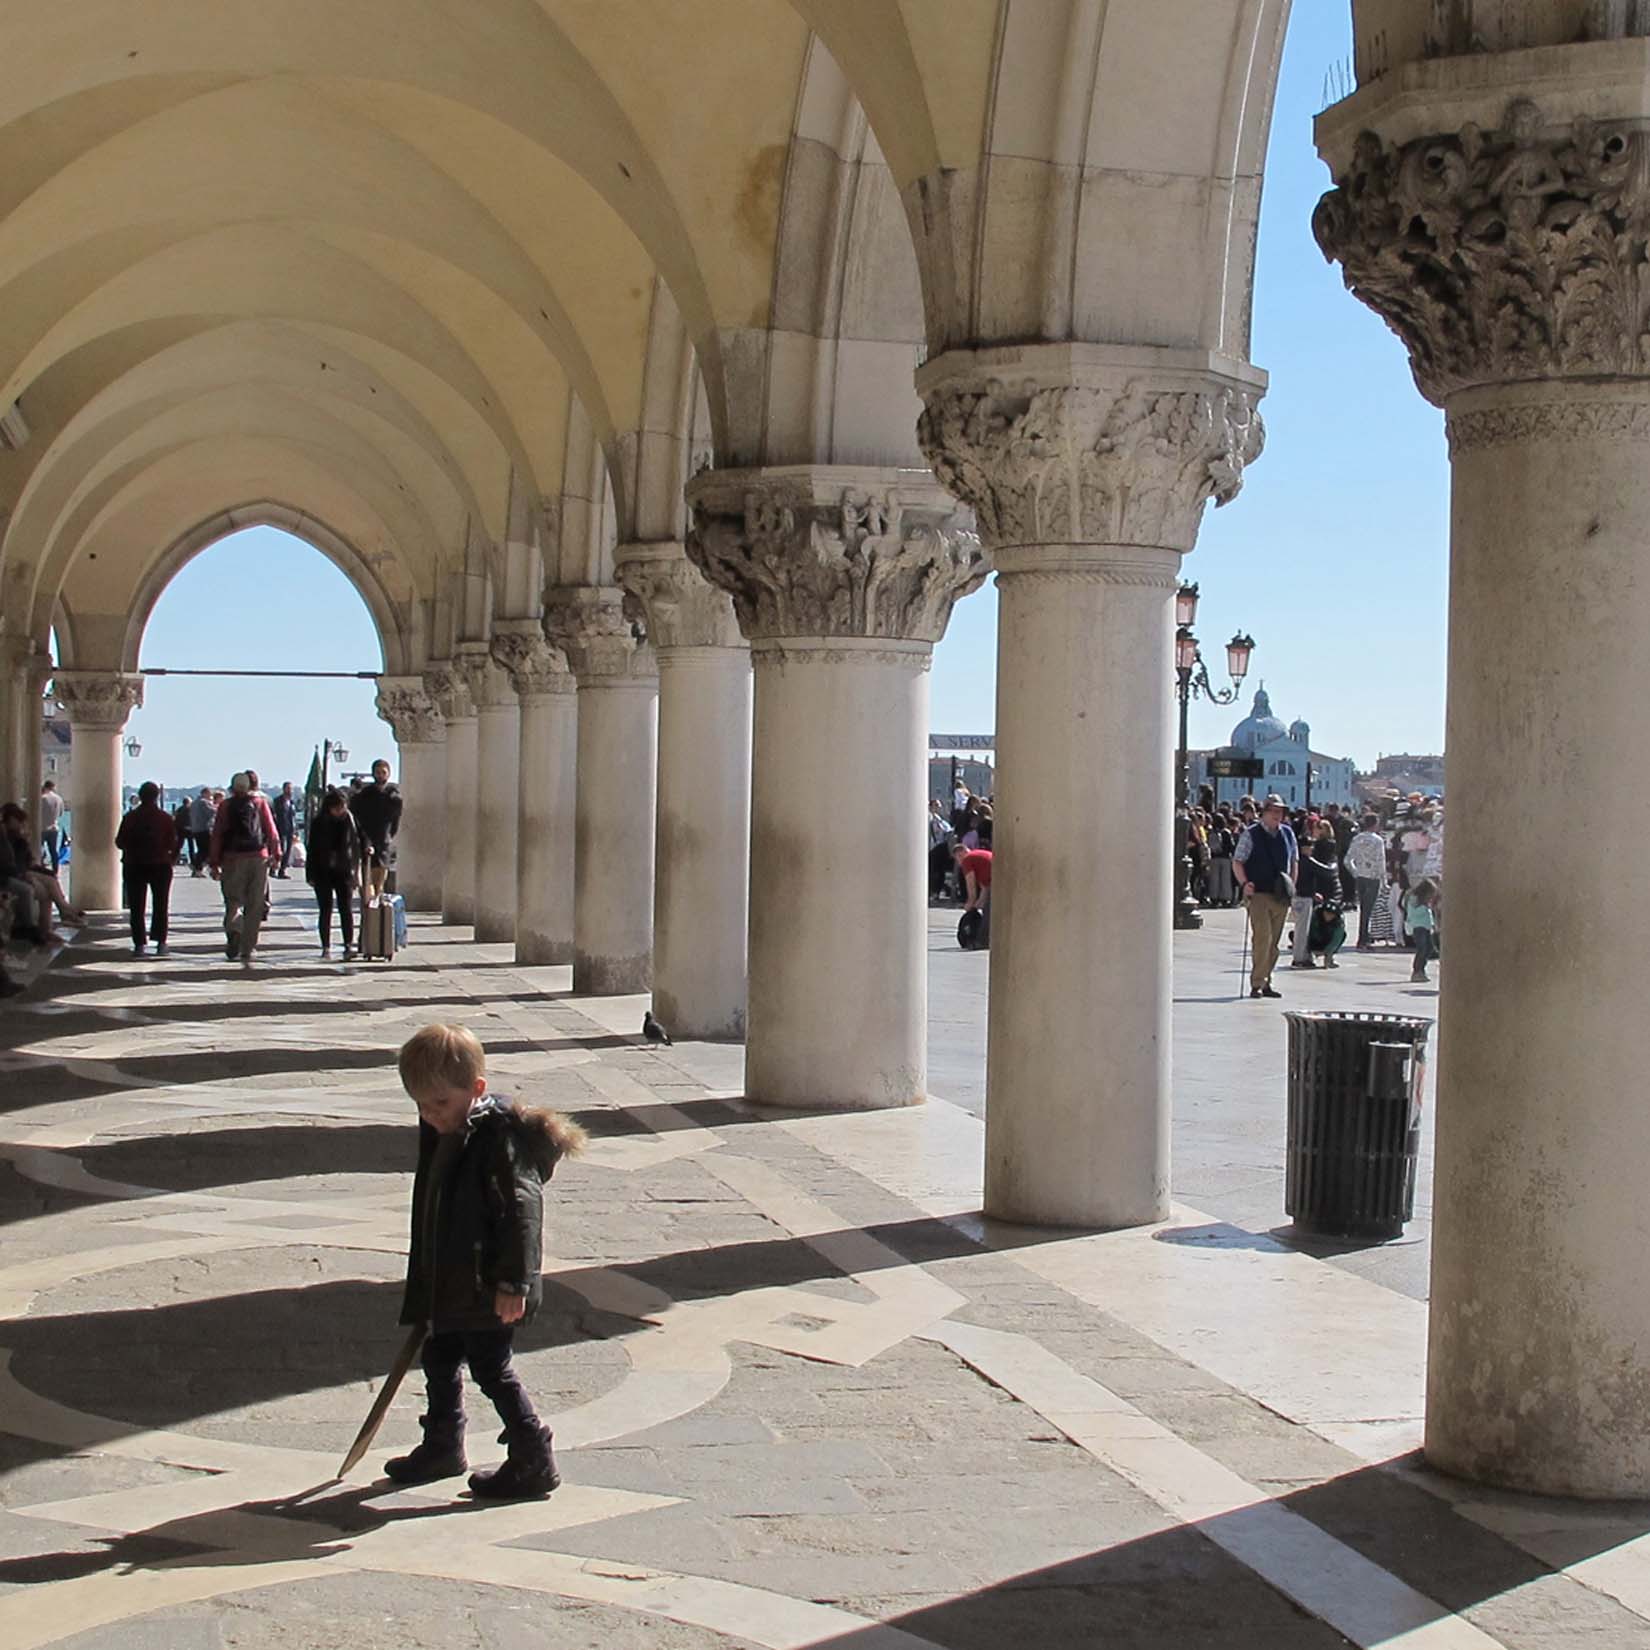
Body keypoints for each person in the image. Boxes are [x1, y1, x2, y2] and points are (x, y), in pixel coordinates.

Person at [386, 1023, 586, 1498]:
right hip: (453, 1279)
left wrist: (514, 1283)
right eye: (421, 1105)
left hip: (486, 1282)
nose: (431, 1115)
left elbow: (522, 1214)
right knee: (439, 1356)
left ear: (475, 1090)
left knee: (491, 1368)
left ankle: (532, 1452)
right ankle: (442, 1443)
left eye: (440, 1104)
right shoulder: (449, 1130)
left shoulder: (499, 1140)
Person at [209, 771, 281, 964]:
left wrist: (214, 862)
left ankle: (234, 930)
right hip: (258, 858)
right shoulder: (259, 804)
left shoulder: (225, 806)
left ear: (232, 788)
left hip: (232, 859)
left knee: (232, 901)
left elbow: (217, 835)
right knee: (255, 905)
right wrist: (276, 854)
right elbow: (271, 831)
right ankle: (248, 948)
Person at [1234, 793, 1297, 999]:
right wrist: (1245, 883)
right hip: (1259, 893)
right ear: (1264, 812)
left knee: (1274, 943)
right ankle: (1257, 983)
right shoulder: (1251, 834)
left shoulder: (1288, 834)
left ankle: (1267, 980)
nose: (1278, 815)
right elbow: (1238, 861)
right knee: (1262, 938)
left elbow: (1294, 862)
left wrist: (1292, 886)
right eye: (1274, 811)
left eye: (1280, 812)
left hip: (1280, 895)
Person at [115, 781, 179, 957]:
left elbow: (119, 842)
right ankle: (161, 942)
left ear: (140, 796)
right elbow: (173, 842)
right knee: (161, 904)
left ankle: (139, 944)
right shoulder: (165, 818)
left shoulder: (130, 817)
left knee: (136, 906)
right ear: (157, 796)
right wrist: (170, 858)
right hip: (160, 865)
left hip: (134, 864)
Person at [306, 787, 361, 959]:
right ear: (329, 807)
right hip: (322, 870)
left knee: (346, 908)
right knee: (325, 908)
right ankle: (326, 946)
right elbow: (312, 849)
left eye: (343, 807)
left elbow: (361, 838)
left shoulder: (350, 820)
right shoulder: (319, 822)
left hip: (344, 870)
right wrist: (310, 874)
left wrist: (368, 848)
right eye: (337, 807)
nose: (340, 811)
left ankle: (348, 944)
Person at [350, 759, 403, 899]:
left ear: (388, 774)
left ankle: (377, 910)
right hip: (367, 839)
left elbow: (396, 819)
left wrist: (390, 836)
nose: (380, 776)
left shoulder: (393, 796)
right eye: (378, 772)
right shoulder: (365, 795)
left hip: (384, 841)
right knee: (368, 882)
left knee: (380, 882)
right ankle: (368, 911)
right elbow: (356, 815)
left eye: (383, 772)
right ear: (373, 774)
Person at [1301, 821, 1346, 968]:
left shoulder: (1322, 846)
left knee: (1323, 920)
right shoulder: (1328, 845)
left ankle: (1323, 952)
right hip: (1328, 885)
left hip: (1325, 886)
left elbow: (1324, 869)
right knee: (1326, 921)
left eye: (1317, 828)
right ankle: (1327, 954)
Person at [1345, 813, 1388, 949]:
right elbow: (1381, 861)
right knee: (1368, 909)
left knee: (1363, 908)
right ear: (1375, 824)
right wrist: (1384, 880)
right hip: (1373, 877)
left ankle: (1363, 936)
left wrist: (1355, 872)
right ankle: (1363, 938)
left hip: (1361, 877)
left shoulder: (1357, 838)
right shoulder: (1378, 840)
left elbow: (1347, 859)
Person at [1407, 877, 1440, 983]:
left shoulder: (1425, 904)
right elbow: (1413, 913)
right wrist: (1425, 907)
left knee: (1429, 948)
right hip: (1418, 927)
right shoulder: (1414, 899)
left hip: (1426, 927)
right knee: (1422, 948)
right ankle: (1417, 970)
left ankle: (1422, 968)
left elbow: (1429, 916)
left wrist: (1433, 925)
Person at [926, 799, 953, 901]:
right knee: (932, 870)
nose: (939, 807)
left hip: (938, 847)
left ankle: (935, 892)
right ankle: (932, 891)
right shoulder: (928, 817)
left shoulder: (938, 819)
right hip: (931, 846)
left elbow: (947, 830)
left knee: (937, 870)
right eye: (936, 805)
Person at [272, 780, 299, 878]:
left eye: (291, 789)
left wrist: (295, 831)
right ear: (284, 789)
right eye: (288, 789)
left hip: (290, 830)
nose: (290, 791)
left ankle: (282, 871)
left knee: (288, 851)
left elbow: (293, 817)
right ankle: (273, 868)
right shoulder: (277, 801)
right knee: (280, 850)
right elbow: (274, 815)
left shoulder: (292, 802)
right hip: (280, 828)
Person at [186, 787, 215, 876]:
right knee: (205, 850)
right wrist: (214, 805)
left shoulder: (194, 803)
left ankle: (196, 866)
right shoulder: (204, 802)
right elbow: (212, 812)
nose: (211, 796)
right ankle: (197, 867)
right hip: (204, 828)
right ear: (205, 793)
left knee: (201, 849)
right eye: (210, 794)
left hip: (195, 829)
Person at [39, 781, 64, 873]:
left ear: (45, 787)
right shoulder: (59, 799)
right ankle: (55, 870)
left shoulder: (42, 798)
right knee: (53, 851)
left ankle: (40, 868)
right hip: (54, 828)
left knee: (39, 849)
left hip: (42, 828)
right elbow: (61, 813)